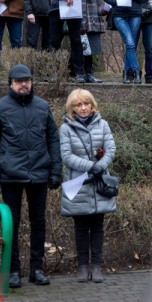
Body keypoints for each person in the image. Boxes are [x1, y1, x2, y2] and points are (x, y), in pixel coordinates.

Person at [0, 65, 61, 288]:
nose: (23, 84)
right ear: (10, 83)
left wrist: (56, 170)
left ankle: (37, 268)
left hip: (39, 172)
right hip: (10, 174)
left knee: (38, 221)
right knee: (12, 223)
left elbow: (53, 139)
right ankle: (13, 269)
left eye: (27, 80)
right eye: (19, 81)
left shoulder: (42, 106)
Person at [60, 89, 116, 283]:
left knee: (98, 226)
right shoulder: (66, 128)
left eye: (86, 104)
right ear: (72, 107)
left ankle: (97, 266)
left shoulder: (104, 124)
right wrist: (91, 167)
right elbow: (67, 156)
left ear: (92, 105)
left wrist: (99, 167)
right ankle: (83, 266)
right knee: (81, 227)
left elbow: (111, 149)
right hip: (78, 183)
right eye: (78, 105)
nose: (83, 108)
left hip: (100, 183)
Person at [103, 0, 149, 84]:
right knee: (129, 43)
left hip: (135, 14)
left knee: (131, 45)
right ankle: (136, 72)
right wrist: (115, 1)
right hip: (119, 15)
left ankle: (125, 73)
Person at [81, 0, 105, 84]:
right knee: (86, 50)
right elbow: (83, 6)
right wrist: (82, 25)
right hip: (87, 24)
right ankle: (87, 74)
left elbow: (95, 7)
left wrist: (104, 11)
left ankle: (89, 73)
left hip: (95, 23)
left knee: (91, 50)